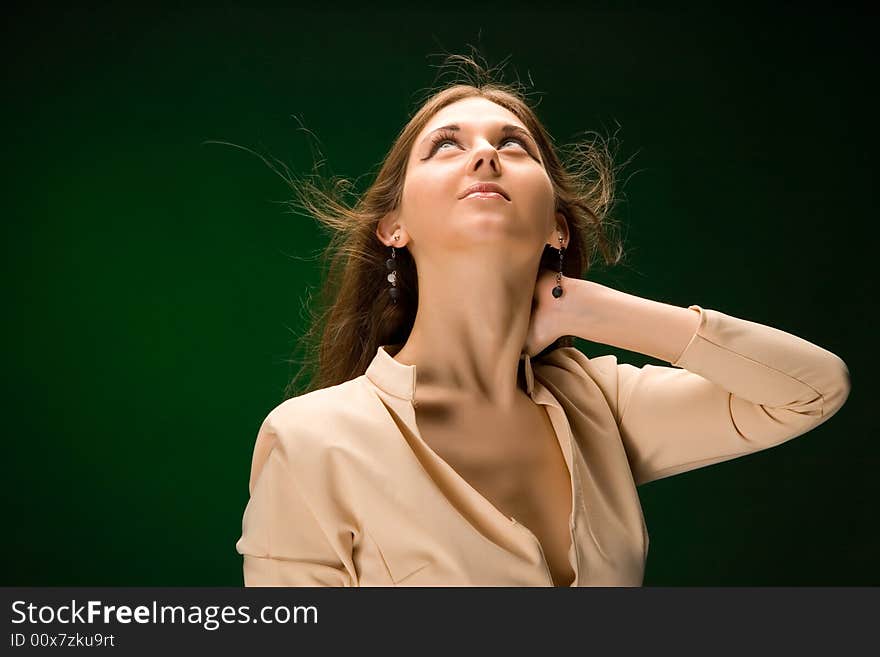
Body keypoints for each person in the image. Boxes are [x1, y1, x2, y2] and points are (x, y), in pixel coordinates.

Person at [234, 57, 851, 587]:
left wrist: (589, 308)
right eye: (447, 145)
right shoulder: (313, 440)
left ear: (557, 225)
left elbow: (812, 391)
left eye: (514, 145)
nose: (484, 154)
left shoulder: (601, 406)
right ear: (394, 227)